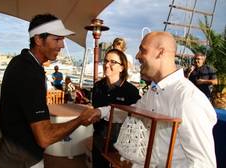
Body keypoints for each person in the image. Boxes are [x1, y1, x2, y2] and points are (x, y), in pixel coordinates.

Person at [89, 32, 217, 167]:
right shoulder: (153, 91)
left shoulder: (189, 99)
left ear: (161, 52)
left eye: (142, 50)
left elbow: (204, 164)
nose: (137, 55)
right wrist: (100, 112)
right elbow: (131, 112)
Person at [0, 14, 95, 168]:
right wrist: (80, 119)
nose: (62, 45)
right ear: (38, 39)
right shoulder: (29, 72)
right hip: (25, 158)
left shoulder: (20, 62)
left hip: (10, 152)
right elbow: (45, 137)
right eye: (57, 39)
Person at [85, 49, 141, 168]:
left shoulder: (131, 91)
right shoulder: (97, 87)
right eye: (105, 61)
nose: (107, 64)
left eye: (112, 62)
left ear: (122, 67)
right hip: (99, 140)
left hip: (120, 144)